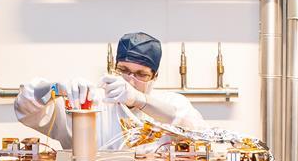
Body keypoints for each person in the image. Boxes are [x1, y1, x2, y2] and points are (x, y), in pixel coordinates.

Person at [14, 31, 202, 151]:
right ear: (113, 67)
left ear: (155, 76)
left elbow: (198, 132)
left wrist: (140, 100)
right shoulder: (87, 102)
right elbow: (25, 108)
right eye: (124, 70)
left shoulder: (171, 103)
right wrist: (53, 88)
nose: (129, 80)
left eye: (141, 74)